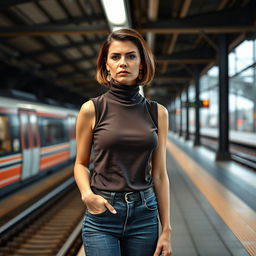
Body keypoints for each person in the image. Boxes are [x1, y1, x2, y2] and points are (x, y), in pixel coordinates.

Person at [74, 28, 172, 256]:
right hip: (103, 214)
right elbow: (80, 163)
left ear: (142, 64)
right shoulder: (91, 109)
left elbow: (159, 174)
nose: (123, 63)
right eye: (115, 57)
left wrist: (166, 229)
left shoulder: (158, 113)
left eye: (131, 56)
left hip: (145, 213)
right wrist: (87, 195)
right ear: (106, 65)